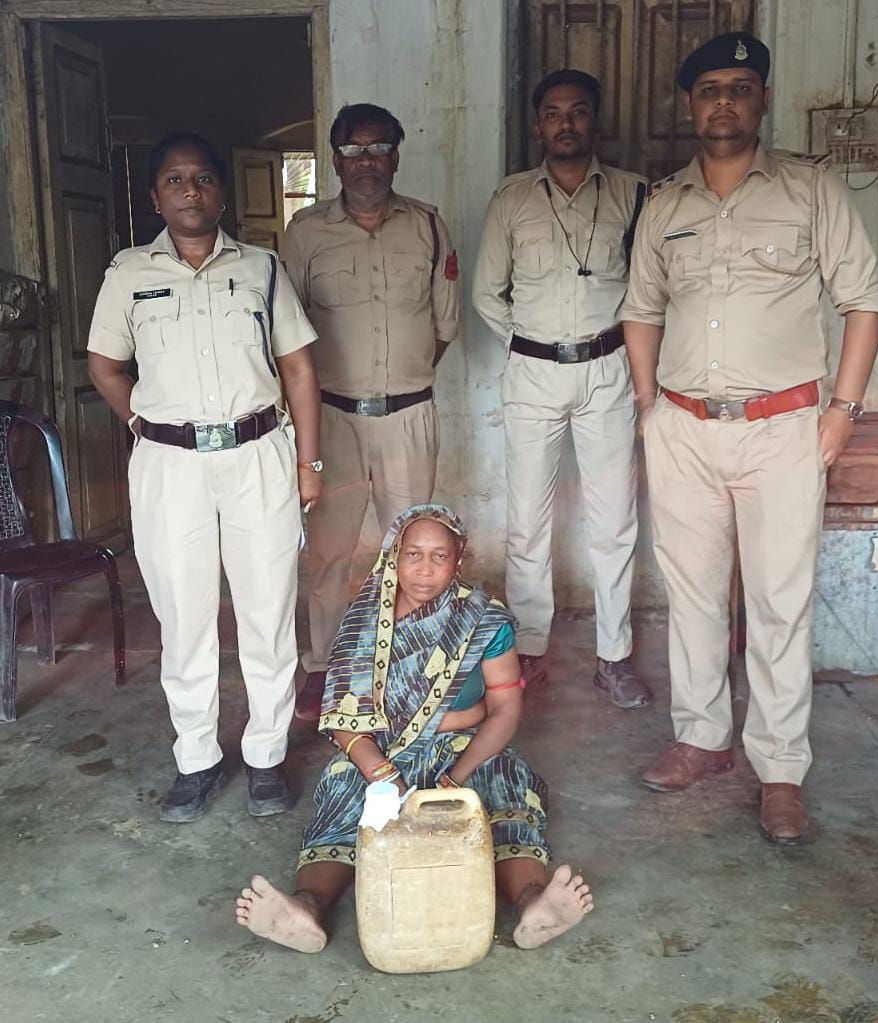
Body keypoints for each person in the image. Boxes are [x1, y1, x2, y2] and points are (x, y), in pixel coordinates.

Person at [622, 32, 878, 843]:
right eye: (709, 89)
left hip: (781, 428)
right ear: (689, 104)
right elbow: (641, 309)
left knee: (778, 601)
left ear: (762, 99)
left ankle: (778, 768)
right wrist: (648, 407)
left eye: (739, 87)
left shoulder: (810, 190)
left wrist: (842, 411)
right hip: (683, 426)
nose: (723, 102)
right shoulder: (664, 204)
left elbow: (862, 300)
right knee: (693, 593)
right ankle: (702, 737)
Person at [87, 131, 323, 823]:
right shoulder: (127, 273)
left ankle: (266, 755)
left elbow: (299, 367)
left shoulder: (262, 268)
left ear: (221, 191)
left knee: (267, 610)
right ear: (155, 196)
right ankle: (196, 757)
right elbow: (105, 365)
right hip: (169, 465)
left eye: (202, 178)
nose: (189, 190)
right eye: (174, 179)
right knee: (183, 615)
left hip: (258, 454)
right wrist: (142, 422)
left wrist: (309, 465)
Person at [235, 504, 594, 953]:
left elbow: (504, 709)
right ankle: (308, 907)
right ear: (395, 556)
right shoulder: (364, 620)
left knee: (504, 784)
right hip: (382, 751)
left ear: (458, 560)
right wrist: (380, 773)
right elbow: (342, 716)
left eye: (439, 556)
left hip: (462, 749)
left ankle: (533, 902)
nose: (425, 569)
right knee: (345, 791)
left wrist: (457, 774)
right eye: (413, 555)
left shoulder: (483, 620)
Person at [472, 69, 651, 708]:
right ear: (537, 125)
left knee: (615, 520)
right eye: (553, 113)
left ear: (595, 121)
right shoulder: (512, 199)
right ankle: (528, 650)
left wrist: (618, 352)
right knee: (527, 521)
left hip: (608, 368)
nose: (565, 123)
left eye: (577, 111)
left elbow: (650, 291)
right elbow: (486, 294)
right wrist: (531, 344)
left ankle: (614, 657)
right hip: (533, 372)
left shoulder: (634, 194)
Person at [281, 104, 459, 721]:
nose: (366, 161)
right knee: (329, 552)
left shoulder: (429, 225)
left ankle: (409, 667)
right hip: (332, 419)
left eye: (378, 147)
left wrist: (400, 382)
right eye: (353, 150)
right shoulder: (305, 233)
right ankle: (324, 668)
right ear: (335, 161)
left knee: (415, 550)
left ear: (396, 156)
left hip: (408, 417)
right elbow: (288, 333)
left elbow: (443, 327)